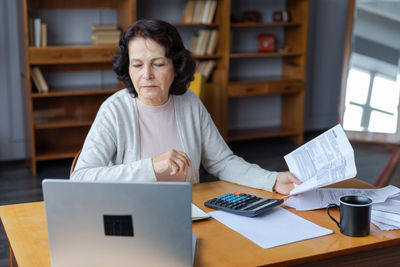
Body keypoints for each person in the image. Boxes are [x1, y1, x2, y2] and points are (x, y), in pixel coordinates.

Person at [70, 19, 301, 195]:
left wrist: (271, 180)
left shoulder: (189, 103)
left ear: (176, 67)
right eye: (137, 65)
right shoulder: (114, 110)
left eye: (158, 64)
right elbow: (81, 177)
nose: (146, 75)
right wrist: (151, 167)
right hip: (133, 214)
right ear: (127, 68)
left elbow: (222, 162)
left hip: (189, 212)